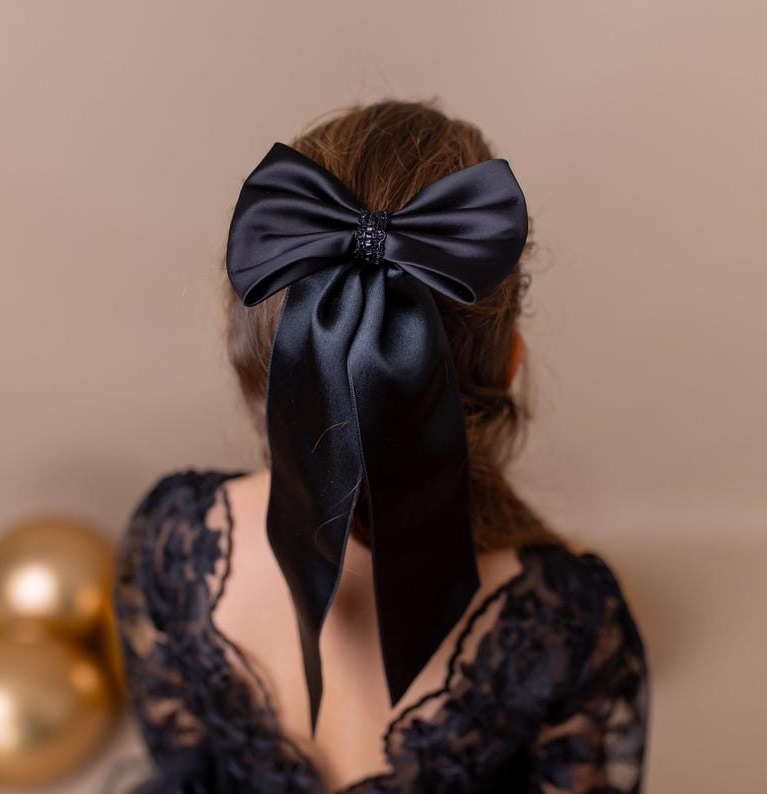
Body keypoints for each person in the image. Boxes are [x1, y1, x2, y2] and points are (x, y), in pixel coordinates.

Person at [112, 99, 650, 794]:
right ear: (508, 364)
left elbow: (180, 762)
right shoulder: (567, 623)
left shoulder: (170, 540)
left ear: (244, 350)